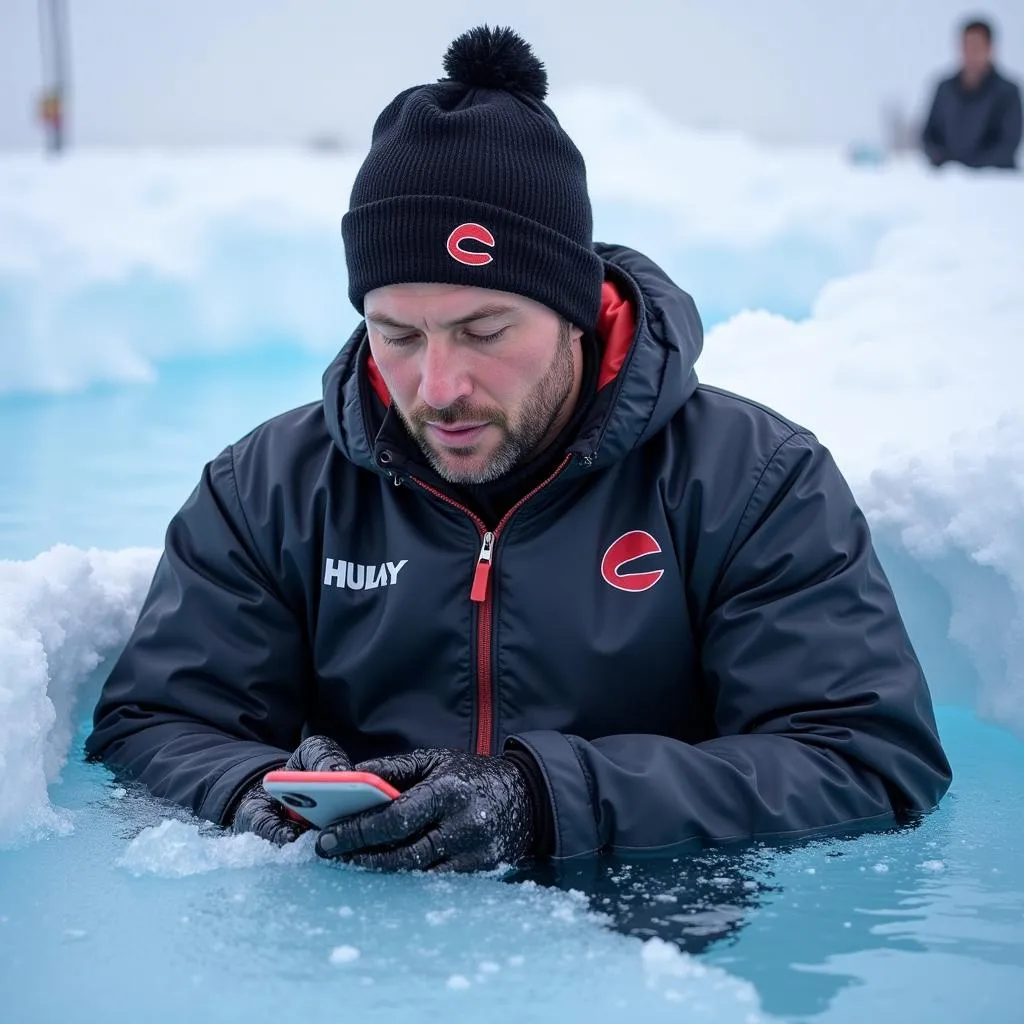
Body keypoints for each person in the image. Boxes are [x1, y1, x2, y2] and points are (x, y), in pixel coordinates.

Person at [86, 25, 952, 873]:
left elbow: (867, 762)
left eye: (484, 329)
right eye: (397, 334)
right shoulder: (268, 489)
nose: (438, 385)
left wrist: (545, 801)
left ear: (575, 308)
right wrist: (251, 794)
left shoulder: (752, 480)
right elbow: (153, 725)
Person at [921, 16, 1022, 169]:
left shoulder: (1007, 92)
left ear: (989, 48)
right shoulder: (944, 89)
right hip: (950, 179)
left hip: (994, 180)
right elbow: (929, 136)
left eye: (976, 47)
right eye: (966, 46)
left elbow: (1008, 144)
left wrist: (972, 166)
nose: (971, 53)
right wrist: (947, 163)